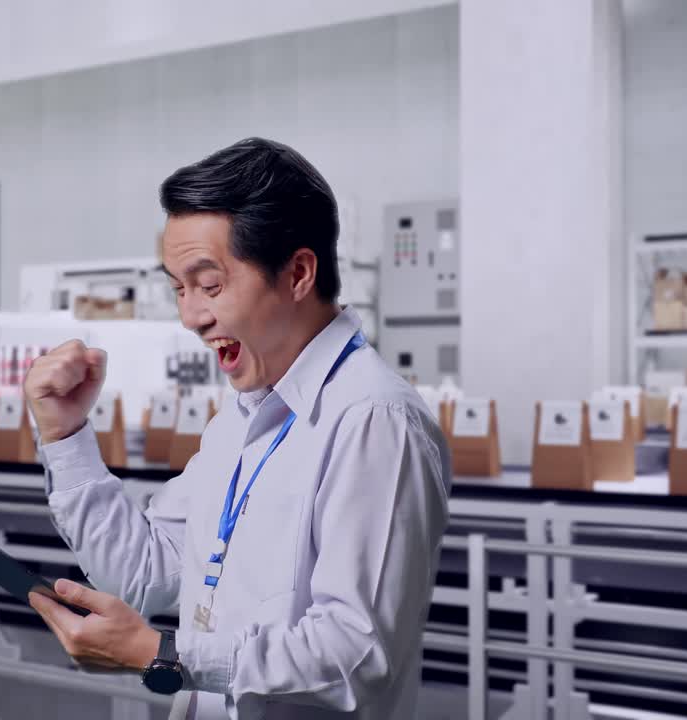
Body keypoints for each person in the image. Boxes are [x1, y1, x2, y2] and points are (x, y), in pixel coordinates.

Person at [25, 137, 451, 719]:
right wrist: (66, 435)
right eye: (179, 288)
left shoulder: (373, 419)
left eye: (210, 284)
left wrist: (165, 653)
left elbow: (355, 657)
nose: (191, 317)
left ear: (299, 272)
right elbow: (146, 574)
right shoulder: (243, 417)